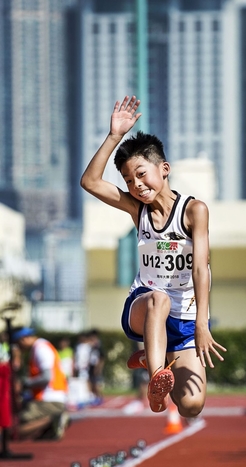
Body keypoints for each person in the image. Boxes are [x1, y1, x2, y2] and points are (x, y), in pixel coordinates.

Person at [80, 95, 226, 416]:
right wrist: (115, 135)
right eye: (128, 180)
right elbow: (90, 181)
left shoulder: (193, 211)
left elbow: (201, 270)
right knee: (159, 298)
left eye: (142, 174)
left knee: (191, 406)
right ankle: (155, 377)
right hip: (144, 306)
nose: (136, 185)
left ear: (164, 168)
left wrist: (202, 322)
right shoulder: (137, 210)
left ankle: (154, 358)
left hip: (185, 318)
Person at [12, 327, 69, 440]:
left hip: (49, 399)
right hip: (49, 397)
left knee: (14, 429)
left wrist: (24, 384)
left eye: (18, 344)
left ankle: (54, 418)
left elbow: (46, 377)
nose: (19, 348)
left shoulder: (41, 349)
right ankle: (51, 426)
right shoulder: (39, 347)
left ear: (23, 339)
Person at [88, 329, 105, 405]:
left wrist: (99, 368)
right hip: (91, 366)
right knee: (91, 383)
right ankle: (95, 397)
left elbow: (101, 358)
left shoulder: (98, 345)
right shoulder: (90, 346)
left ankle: (100, 397)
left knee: (96, 383)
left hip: (96, 366)